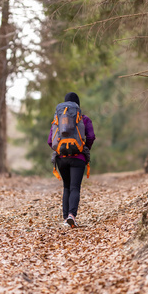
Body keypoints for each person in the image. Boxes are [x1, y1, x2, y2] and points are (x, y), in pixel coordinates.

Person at [47, 92, 95, 228]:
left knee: (66, 187)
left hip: (61, 158)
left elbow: (50, 141)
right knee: (75, 187)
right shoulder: (83, 119)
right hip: (78, 158)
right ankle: (71, 216)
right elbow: (91, 137)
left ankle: (65, 219)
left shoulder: (58, 121)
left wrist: (60, 149)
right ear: (77, 105)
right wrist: (84, 149)